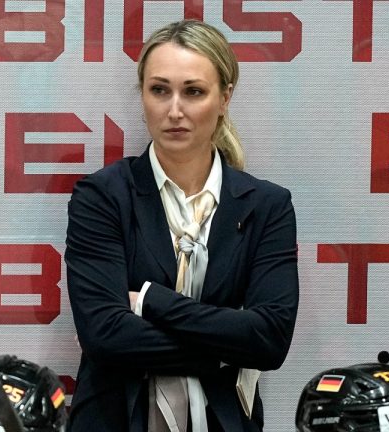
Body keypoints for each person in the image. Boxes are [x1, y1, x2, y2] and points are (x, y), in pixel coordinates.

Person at [65, 19, 299, 432]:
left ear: (225, 97)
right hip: (114, 419)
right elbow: (105, 335)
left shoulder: (267, 205)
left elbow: (270, 339)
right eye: (160, 90)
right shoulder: (102, 197)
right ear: (142, 97)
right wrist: (228, 349)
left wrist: (152, 302)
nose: (175, 110)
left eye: (193, 91)